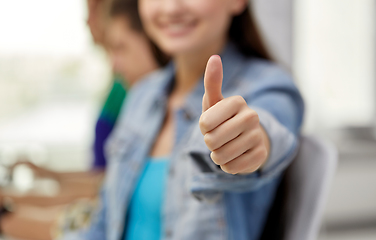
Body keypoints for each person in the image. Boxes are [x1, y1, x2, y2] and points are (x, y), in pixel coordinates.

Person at [61, 0, 304, 240]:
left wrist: (248, 142)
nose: (170, 8)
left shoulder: (269, 87)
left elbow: (269, 131)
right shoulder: (141, 95)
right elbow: (104, 222)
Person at [0, 0, 166, 239]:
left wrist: (12, 211)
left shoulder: (142, 97)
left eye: (94, 9)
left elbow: (100, 197)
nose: (88, 20)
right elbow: (105, 195)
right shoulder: (138, 98)